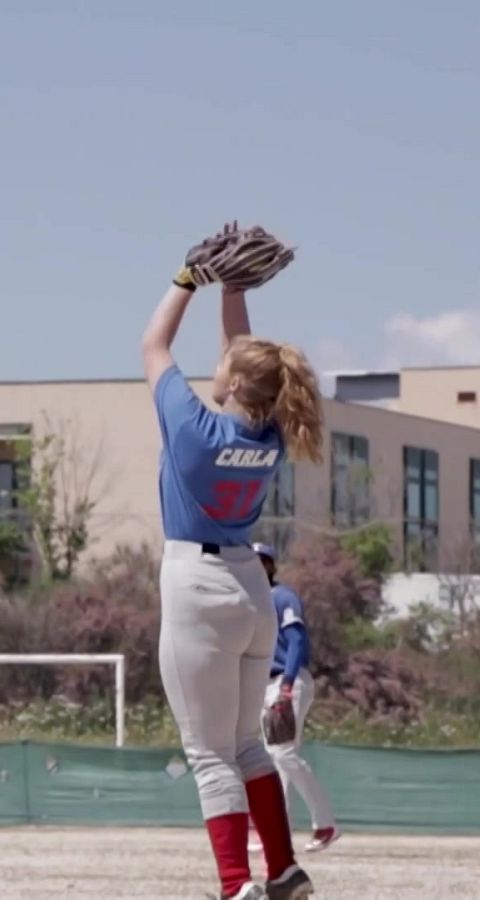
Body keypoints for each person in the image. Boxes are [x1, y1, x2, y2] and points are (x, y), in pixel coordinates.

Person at [141, 224, 323, 900]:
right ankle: (282, 869)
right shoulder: (271, 433)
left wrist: (189, 276)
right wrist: (235, 287)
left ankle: (235, 885)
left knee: (209, 755)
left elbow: (153, 346)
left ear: (235, 381)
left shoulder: (194, 427)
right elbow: (239, 355)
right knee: (247, 746)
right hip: (252, 588)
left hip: (198, 585)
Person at [253, 542, 340, 854]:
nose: (257, 566)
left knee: (283, 754)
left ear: (271, 566)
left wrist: (288, 684)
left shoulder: (282, 597)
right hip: (265, 685)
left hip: (286, 681)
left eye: (263, 561)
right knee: (276, 760)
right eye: (252, 561)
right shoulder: (251, 601)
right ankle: (278, 834)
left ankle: (326, 823)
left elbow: (297, 641)